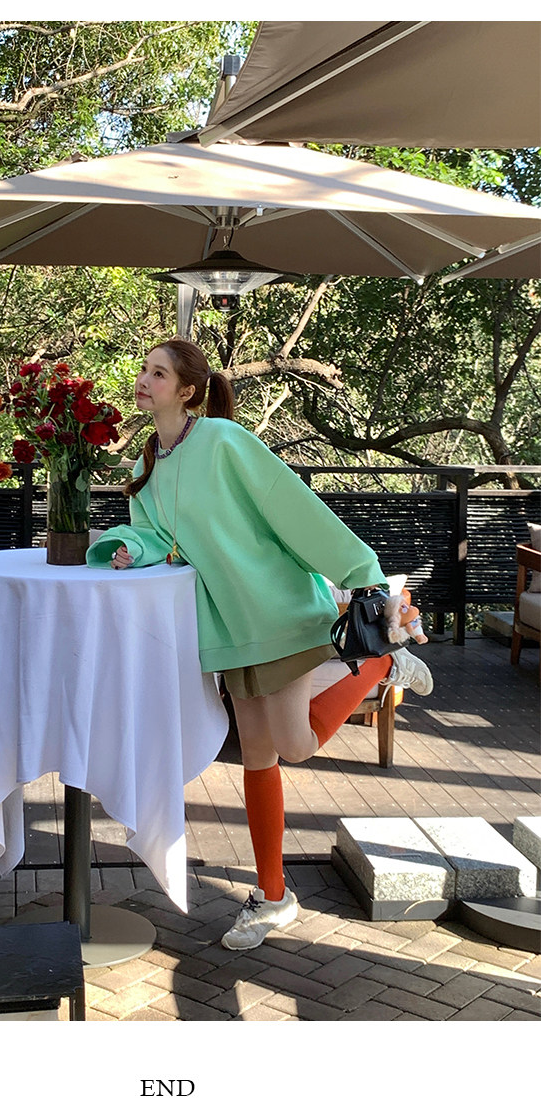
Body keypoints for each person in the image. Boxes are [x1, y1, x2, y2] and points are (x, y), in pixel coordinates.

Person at [86, 338, 433, 951]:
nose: (143, 380)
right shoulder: (151, 458)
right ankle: (274, 896)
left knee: (294, 746)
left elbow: (293, 508)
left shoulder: (223, 440)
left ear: (187, 390)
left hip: (279, 612)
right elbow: (153, 535)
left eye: (157, 373)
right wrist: (126, 549)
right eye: (144, 370)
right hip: (228, 628)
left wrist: (364, 575)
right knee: (257, 756)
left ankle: (382, 659)